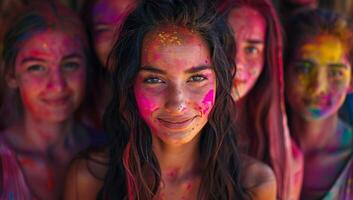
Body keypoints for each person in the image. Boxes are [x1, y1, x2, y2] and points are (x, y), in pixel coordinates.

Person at [64, 0, 277, 199]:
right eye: (155, 79)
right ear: (129, 85)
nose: (177, 103)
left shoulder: (254, 185)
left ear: (220, 83)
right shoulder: (90, 178)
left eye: (196, 78)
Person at [0, 1, 101, 199]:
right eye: (36, 67)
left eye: (70, 65)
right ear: (11, 74)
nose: (57, 85)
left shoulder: (113, 153)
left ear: (88, 69)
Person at [221, 0, 304, 199]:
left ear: (267, 59)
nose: (237, 64)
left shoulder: (286, 158)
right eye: (225, 43)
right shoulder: (177, 132)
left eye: (252, 50)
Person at [284, 9, 353, 199]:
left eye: (335, 72)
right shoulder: (252, 152)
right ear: (282, 72)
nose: (318, 87)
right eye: (304, 69)